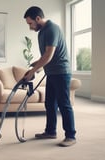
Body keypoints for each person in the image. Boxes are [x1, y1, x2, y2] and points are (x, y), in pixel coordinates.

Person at [23, 6, 76, 147]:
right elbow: (44, 56)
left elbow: (48, 55)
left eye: (30, 23)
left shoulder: (52, 29)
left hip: (61, 72)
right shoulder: (41, 32)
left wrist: (34, 70)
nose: (30, 27)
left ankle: (71, 136)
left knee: (64, 104)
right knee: (50, 104)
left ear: (38, 18)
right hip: (52, 72)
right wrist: (32, 66)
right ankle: (51, 131)